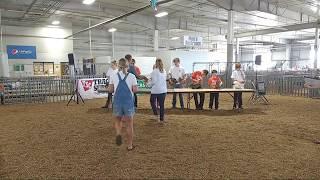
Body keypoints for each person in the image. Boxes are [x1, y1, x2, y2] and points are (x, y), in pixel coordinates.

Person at [108, 58, 138, 151]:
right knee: (129, 124)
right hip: (128, 102)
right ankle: (129, 146)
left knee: (118, 121)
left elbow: (110, 90)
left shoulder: (114, 76)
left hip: (117, 101)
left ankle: (118, 133)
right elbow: (135, 90)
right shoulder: (132, 76)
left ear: (119, 66)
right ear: (127, 66)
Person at [148, 58, 167, 123]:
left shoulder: (154, 71)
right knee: (162, 105)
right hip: (163, 90)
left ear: (156, 63)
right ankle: (161, 119)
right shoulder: (164, 70)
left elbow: (153, 82)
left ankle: (156, 115)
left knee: (152, 102)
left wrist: (148, 84)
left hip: (156, 90)